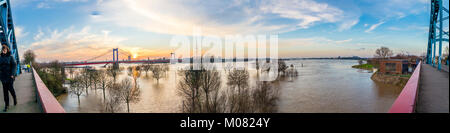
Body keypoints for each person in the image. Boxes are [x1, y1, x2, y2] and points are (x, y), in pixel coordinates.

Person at [0, 45, 17, 112]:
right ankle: (6, 105)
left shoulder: (11, 57)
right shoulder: (0, 58)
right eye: (3, 50)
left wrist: (12, 74)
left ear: (7, 50)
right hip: (3, 77)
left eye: (5, 50)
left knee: (10, 89)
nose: (4, 51)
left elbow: (14, 65)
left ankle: (14, 97)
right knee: (5, 92)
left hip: (10, 76)